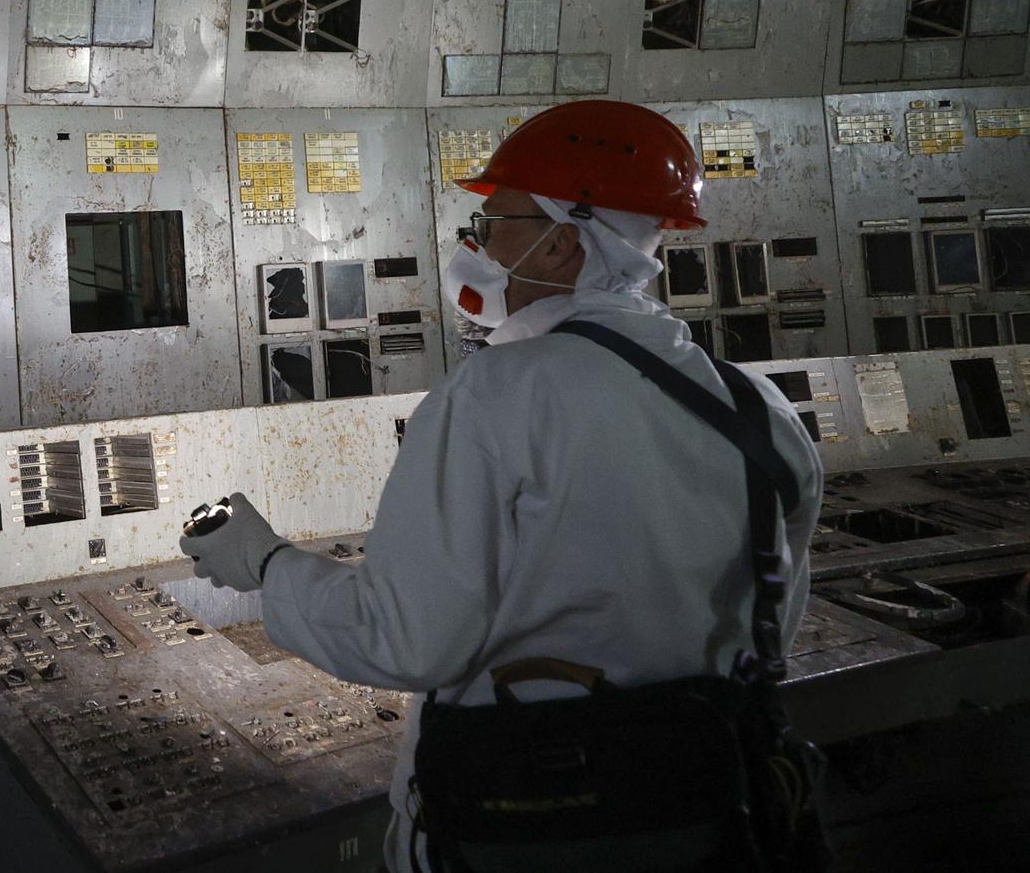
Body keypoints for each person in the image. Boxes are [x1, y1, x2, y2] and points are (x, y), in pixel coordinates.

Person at [180, 100, 824, 872]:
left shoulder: (492, 396)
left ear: (561, 244)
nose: (475, 242)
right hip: (710, 819)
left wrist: (264, 563)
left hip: (522, 820)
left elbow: (402, 639)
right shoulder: (761, 409)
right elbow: (769, 626)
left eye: (493, 223)